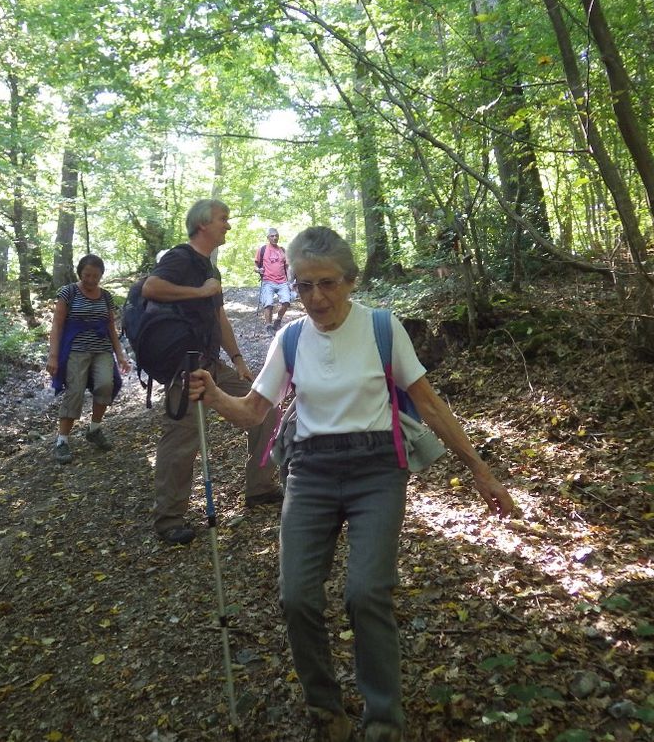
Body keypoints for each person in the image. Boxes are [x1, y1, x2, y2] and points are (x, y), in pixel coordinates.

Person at [187, 226, 514, 741]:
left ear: (351, 281)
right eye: (302, 286)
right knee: (296, 597)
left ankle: (383, 717)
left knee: (366, 594)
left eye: (327, 283)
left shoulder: (383, 329)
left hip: (376, 469)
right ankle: (324, 706)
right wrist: (212, 396)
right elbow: (253, 411)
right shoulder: (290, 338)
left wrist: (481, 470)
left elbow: (429, 403)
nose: (315, 297)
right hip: (311, 473)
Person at [142, 199, 283, 545]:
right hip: (185, 368)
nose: (228, 225)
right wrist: (199, 291)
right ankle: (170, 518)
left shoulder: (210, 268)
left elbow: (219, 318)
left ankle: (260, 487)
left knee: (265, 409)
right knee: (182, 439)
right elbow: (151, 288)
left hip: (212, 363)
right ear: (203, 224)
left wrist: (237, 359)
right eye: (223, 219)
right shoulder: (180, 258)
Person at [46, 254, 132, 464]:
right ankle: (62, 441)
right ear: (80, 273)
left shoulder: (106, 296)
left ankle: (94, 429)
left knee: (105, 385)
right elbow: (57, 325)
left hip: (102, 349)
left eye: (96, 276)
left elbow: (111, 326)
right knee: (75, 390)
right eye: (87, 275)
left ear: (101, 275)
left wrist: (120, 354)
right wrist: (53, 356)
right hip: (76, 349)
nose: (91, 280)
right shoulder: (69, 292)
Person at [255, 228, 294, 334]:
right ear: (268, 237)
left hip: (282, 282)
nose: (275, 237)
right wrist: (259, 270)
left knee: (286, 302)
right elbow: (255, 266)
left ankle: (278, 319)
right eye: (272, 236)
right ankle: (268, 326)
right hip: (268, 281)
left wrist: (290, 282)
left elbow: (287, 267)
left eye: (276, 235)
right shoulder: (262, 249)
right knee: (268, 304)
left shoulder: (282, 250)